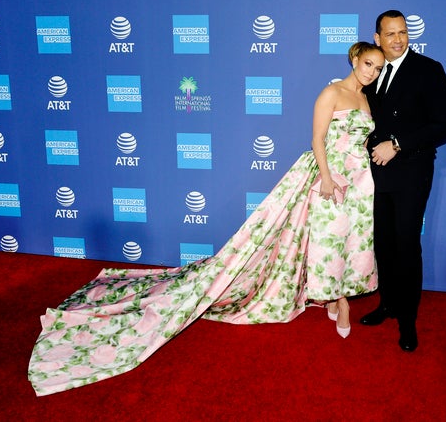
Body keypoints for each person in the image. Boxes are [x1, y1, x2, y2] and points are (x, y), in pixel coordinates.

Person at [28, 42, 384, 396]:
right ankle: (340, 302)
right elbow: (317, 139)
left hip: (357, 182)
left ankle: (335, 295)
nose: (371, 72)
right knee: (325, 238)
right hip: (326, 180)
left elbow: (360, 142)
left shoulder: (367, 99)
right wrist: (325, 176)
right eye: (368, 63)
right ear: (354, 59)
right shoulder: (331, 92)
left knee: (348, 241)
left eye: (378, 68)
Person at [360, 10, 446, 352]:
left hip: (411, 172)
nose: (399, 39)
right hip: (375, 173)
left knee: (406, 244)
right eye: (391, 34)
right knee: (383, 243)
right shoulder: (372, 72)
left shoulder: (429, 70)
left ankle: (408, 320)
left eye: (403, 32)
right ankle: (387, 304)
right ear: (378, 38)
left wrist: (397, 144)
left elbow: (442, 127)